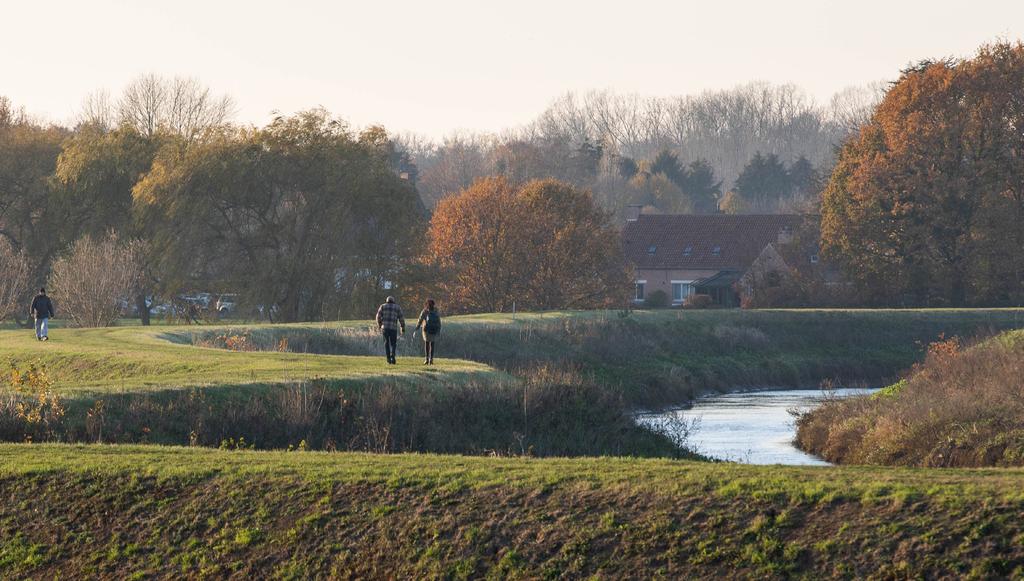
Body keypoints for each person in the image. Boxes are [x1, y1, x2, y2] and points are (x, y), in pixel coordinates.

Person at [375, 296, 405, 365]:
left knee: (386, 343)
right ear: (393, 301)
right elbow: (401, 318)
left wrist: (380, 325)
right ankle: (393, 355)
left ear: (387, 301)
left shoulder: (382, 306)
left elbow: (378, 317)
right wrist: (402, 327)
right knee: (393, 343)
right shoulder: (397, 307)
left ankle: (388, 358)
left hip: (385, 328)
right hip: (393, 328)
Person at [415, 299, 441, 365]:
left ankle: (426, 359)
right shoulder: (436, 311)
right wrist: (439, 329)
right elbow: (438, 321)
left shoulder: (425, 311)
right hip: (434, 329)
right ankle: (431, 359)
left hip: (426, 329)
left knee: (427, 344)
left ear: (426, 304)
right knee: (432, 344)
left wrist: (417, 328)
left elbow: (420, 320)